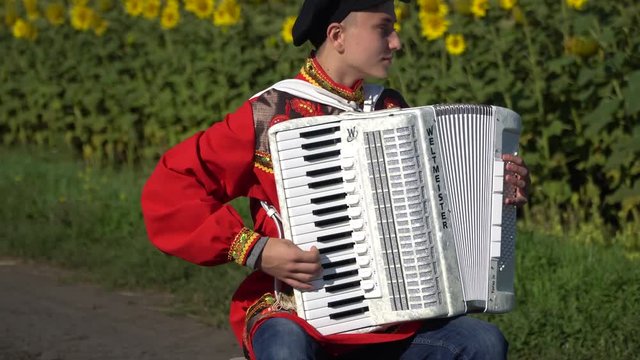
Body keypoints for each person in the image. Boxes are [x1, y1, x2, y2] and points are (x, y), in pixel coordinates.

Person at [141, 0, 531, 359]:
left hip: (392, 318)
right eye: (384, 29)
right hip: (294, 312)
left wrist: (495, 193)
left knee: (482, 344)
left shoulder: (393, 110)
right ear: (337, 36)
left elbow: (440, 211)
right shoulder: (269, 113)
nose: (396, 42)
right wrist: (255, 250)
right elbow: (172, 188)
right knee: (286, 350)